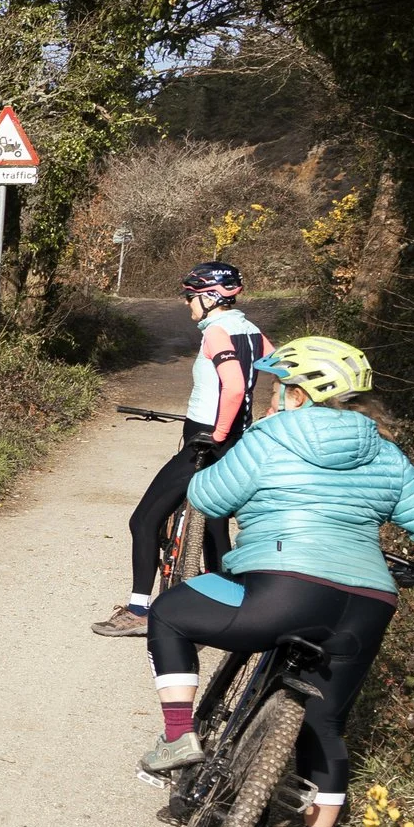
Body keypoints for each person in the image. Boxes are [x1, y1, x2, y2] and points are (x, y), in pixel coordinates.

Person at [134, 336, 414, 827]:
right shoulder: (386, 453)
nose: (271, 398)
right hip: (367, 605)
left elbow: (208, 499)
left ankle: (178, 735)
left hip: (282, 591)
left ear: (297, 394)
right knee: (327, 721)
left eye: (277, 388)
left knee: (169, 613)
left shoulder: (273, 436)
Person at [93, 262, 272, 637]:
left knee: (143, 520)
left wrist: (218, 433)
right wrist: (271, 417)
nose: (187, 304)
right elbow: (283, 369)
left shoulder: (217, 333)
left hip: (206, 442)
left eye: (191, 297)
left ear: (210, 297)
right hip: (237, 442)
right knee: (215, 526)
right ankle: (230, 608)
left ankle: (139, 610)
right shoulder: (251, 331)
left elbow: (235, 387)